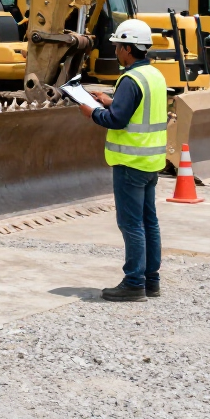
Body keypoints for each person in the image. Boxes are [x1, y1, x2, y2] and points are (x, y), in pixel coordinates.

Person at [78, 18, 167, 302]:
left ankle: (133, 283)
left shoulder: (130, 79)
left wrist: (91, 112)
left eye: (118, 46)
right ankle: (151, 281)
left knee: (131, 224)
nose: (116, 51)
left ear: (128, 48)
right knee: (148, 222)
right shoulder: (154, 75)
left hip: (130, 163)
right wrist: (109, 100)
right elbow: (137, 108)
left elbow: (117, 120)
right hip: (151, 161)